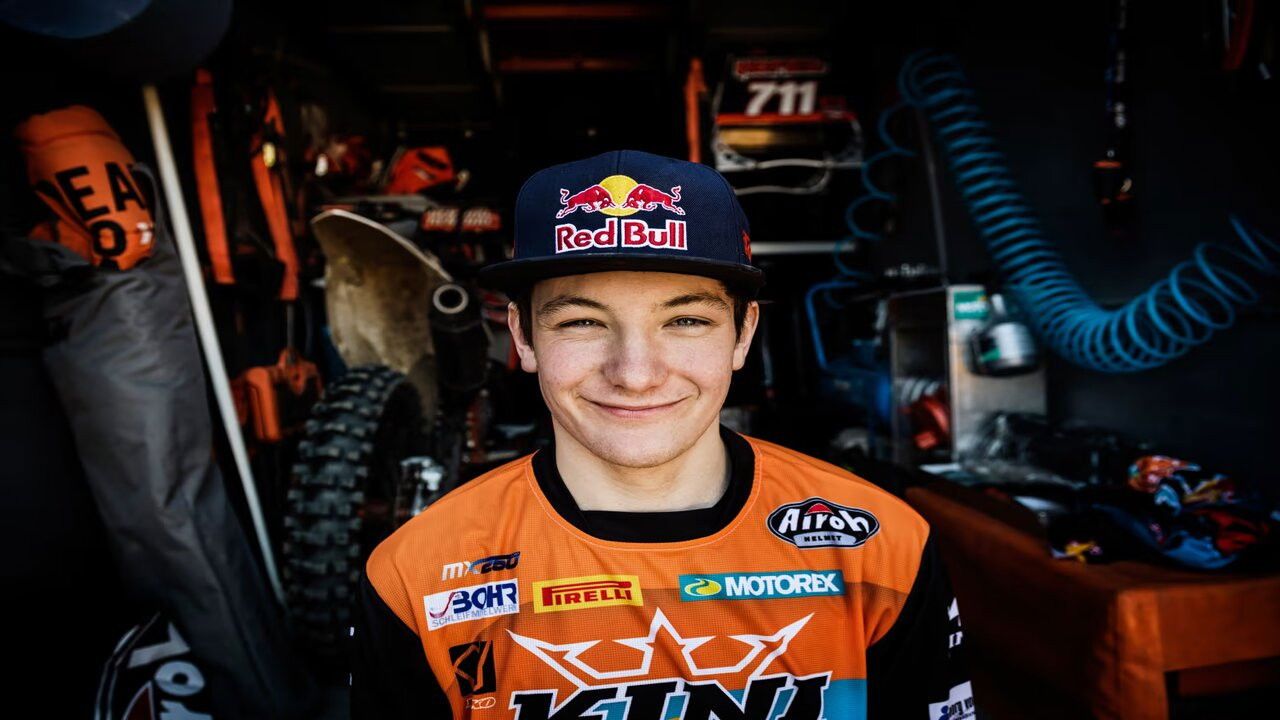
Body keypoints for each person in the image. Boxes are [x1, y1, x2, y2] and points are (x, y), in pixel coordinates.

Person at [351, 150, 974, 719]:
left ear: (743, 334)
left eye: (686, 320)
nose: (635, 374)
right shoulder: (415, 576)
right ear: (522, 337)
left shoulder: (881, 548)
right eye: (582, 322)